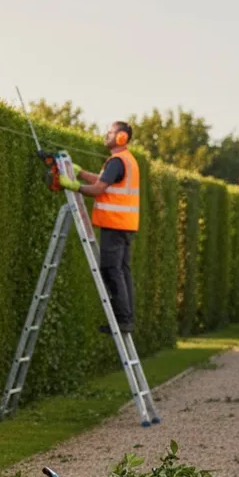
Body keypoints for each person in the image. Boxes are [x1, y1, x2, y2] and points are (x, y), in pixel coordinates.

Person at [56, 121, 140, 333]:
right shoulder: (125, 161)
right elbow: (104, 181)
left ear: (121, 137)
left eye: (110, 132)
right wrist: (82, 173)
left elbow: (99, 189)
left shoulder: (117, 161)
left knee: (111, 269)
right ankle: (126, 317)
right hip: (124, 225)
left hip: (114, 223)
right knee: (123, 270)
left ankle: (122, 319)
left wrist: (75, 186)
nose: (106, 135)